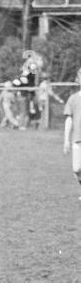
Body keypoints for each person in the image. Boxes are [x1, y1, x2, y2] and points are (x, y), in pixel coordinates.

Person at [61, 67, 81, 200]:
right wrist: (66, 140)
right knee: (77, 169)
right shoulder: (73, 98)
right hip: (77, 139)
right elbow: (68, 120)